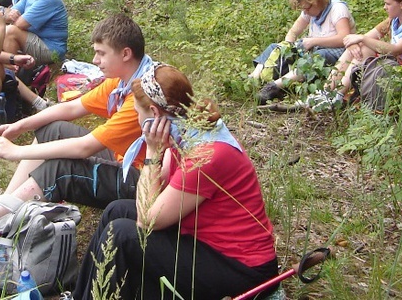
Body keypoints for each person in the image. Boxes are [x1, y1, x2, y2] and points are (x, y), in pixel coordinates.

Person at [72, 64, 278, 300]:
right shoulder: (185, 132)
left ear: (154, 113)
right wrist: (160, 151)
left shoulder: (206, 154)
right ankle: (84, 295)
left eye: (138, 112)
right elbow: (156, 191)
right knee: (116, 210)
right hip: (204, 241)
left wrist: (151, 153)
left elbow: (147, 220)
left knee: (122, 235)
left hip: (241, 267)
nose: (138, 119)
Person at [0, 14, 156, 226]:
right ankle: (2, 206)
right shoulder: (127, 78)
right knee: (51, 130)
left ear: (126, 54)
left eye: (101, 53)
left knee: (58, 170)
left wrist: (16, 152)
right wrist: (20, 126)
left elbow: (84, 148)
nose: (95, 60)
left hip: (145, 179)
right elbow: (73, 106)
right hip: (125, 155)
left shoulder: (143, 95)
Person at [305, 0, 402, 111]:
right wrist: (354, 43)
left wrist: (361, 38)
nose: (385, 7)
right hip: (396, 70)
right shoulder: (393, 20)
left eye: (388, 4)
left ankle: (338, 96)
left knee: (365, 48)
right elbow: (364, 39)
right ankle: (327, 91)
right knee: (358, 48)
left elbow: (396, 49)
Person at [253, 0, 355, 104]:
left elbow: (344, 37)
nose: (305, 12)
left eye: (307, 9)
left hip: (336, 54)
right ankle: (254, 77)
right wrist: (287, 46)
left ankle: (274, 86)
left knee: (318, 57)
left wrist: (313, 41)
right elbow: (293, 32)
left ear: (317, 1)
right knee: (274, 47)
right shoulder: (310, 10)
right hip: (313, 50)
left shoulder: (337, 9)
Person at [3, 0, 68, 64]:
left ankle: (12, 72)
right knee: (1, 29)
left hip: (51, 48)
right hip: (36, 40)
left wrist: (13, 18)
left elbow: (20, 24)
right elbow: (6, 14)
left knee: (10, 31)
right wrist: (9, 14)